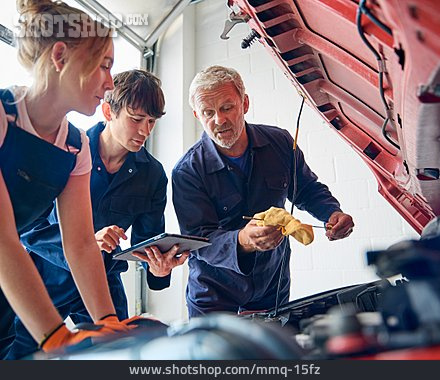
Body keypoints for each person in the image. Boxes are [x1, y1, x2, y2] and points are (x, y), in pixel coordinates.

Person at [7, 70, 189, 359]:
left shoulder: (153, 175)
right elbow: (29, 228)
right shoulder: (67, 150)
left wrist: (158, 268)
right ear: (108, 111)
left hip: (104, 282)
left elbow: (147, 243)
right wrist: (87, 242)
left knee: (120, 355)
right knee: (20, 356)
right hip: (46, 278)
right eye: (136, 119)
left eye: (152, 121)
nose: (145, 130)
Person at [0, 0, 132, 358]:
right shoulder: (3, 117)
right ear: (60, 56)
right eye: (104, 66)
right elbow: (3, 239)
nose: (109, 82)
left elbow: (80, 245)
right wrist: (57, 337)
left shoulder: (76, 146)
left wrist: (109, 323)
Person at [172, 65, 354, 317]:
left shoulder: (280, 143)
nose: (219, 120)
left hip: (272, 288)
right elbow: (198, 240)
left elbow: (307, 189)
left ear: (244, 103)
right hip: (214, 298)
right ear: (196, 115)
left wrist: (332, 212)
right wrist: (242, 241)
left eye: (227, 107)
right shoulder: (187, 171)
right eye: (208, 112)